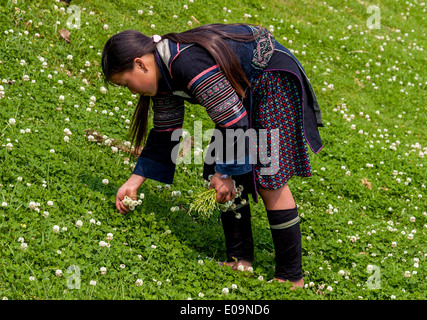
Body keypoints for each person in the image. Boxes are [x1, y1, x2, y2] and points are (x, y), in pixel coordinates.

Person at [101, 23, 323, 289]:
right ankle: (240, 258)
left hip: (270, 81)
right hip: (239, 99)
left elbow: (233, 121)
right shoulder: (162, 75)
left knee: (268, 176)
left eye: (126, 84)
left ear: (140, 64)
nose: (132, 92)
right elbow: (165, 133)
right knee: (215, 169)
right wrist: (133, 182)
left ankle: (291, 276)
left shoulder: (186, 63)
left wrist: (226, 172)